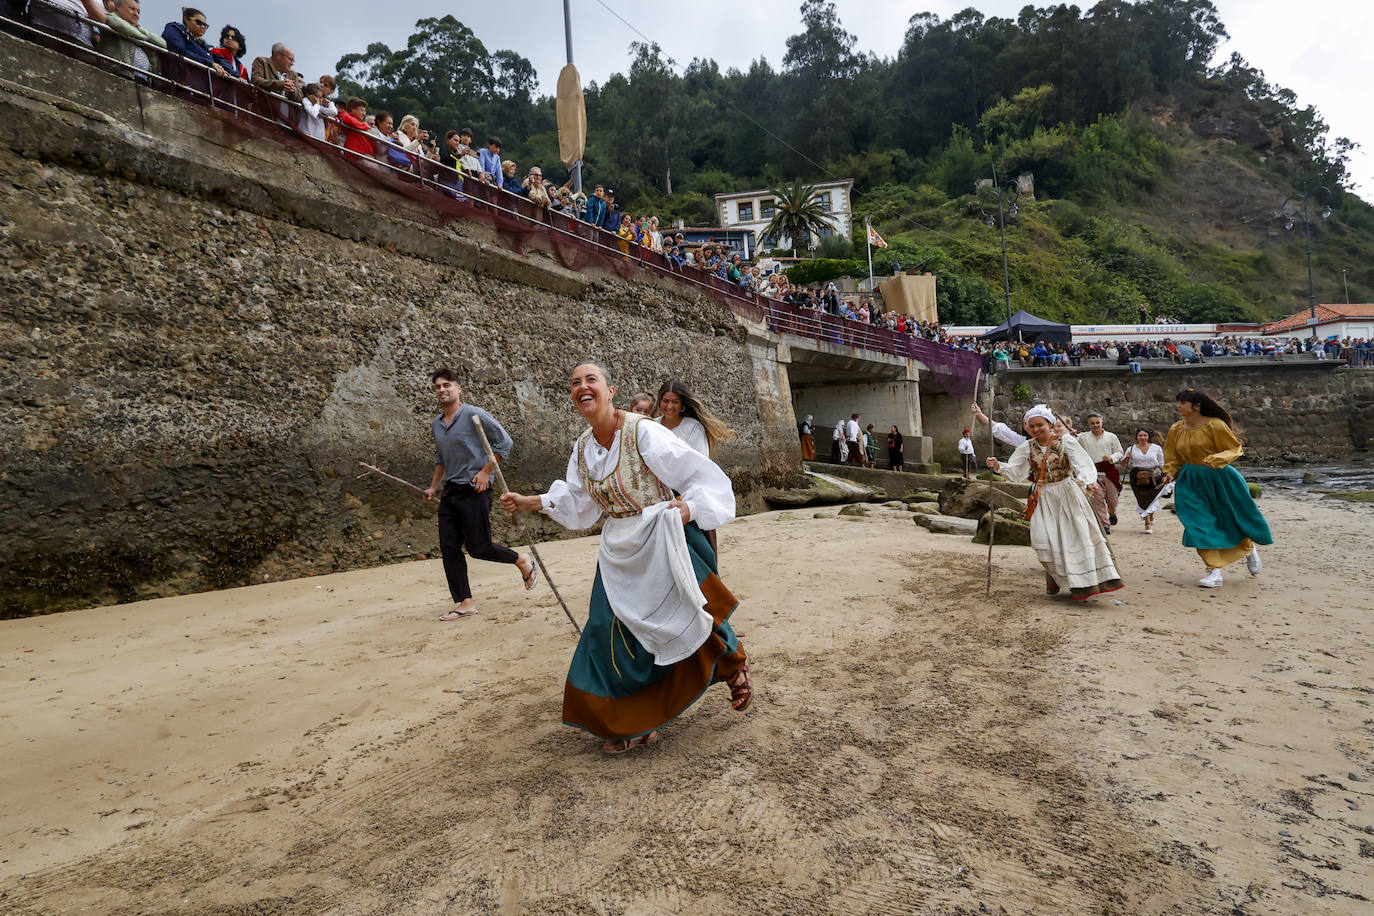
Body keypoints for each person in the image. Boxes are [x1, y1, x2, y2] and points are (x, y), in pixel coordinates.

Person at [499, 361, 751, 754]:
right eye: (575, 382)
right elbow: (579, 502)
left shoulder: (642, 431)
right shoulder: (583, 447)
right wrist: (530, 501)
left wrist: (689, 509)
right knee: (606, 630)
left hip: (660, 535)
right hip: (619, 546)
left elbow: (699, 474)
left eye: (591, 380)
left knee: (688, 613)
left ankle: (732, 662)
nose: (582, 386)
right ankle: (632, 718)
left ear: (610, 390)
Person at [421, 368, 536, 621]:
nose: (442, 390)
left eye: (447, 385)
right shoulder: (437, 424)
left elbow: (504, 443)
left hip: (476, 489)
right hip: (451, 491)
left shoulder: (474, 414)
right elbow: (441, 460)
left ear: (458, 388)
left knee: (479, 547)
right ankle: (465, 603)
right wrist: (433, 487)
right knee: (449, 547)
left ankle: (521, 560)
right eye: (438, 386)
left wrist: (486, 472)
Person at [986, 405, 1123, 600]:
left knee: (1076, 536)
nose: (1036, 429)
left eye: (1040, 425)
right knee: (1044, 537)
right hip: (1044, 496)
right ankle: (1055, 576)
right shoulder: (1027, 447)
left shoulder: (1066, 441)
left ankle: (1084, 583)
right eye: (1031, 426)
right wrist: (998, 465)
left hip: (1067, 493)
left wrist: (1088, 481)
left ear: (1049, 424)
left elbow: (1083, 464)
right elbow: (1016, 471)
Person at [1163, 388, 1272, 588]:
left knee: (1229, 520)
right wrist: (1170, 472)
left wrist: (1216, 458)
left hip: (1220, 478)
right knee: (1197, 525)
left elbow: (1234, 448)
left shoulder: (1215, 425)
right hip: (1190, 481)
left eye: (1182, 402)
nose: (1178, 406)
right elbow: (1172, 455)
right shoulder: (1176, 429)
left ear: (1196, 406)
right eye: (1178, 402)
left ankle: (1248, 548)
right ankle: (1214, 571)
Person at [1079, 412, 1124, 533]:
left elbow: (1120, 452)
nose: (1095, 425)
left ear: (1102, 423)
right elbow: (1073, 447)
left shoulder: (1111, 437)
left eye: (1097, 422)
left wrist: (1111, 457)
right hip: (1092, 473)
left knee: (1113, 500)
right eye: (1092, 423)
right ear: (1089, 425)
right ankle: (1105, 525)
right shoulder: (1082, 437)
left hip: (1109, 472)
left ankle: (1112, 513)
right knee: (1097, 499)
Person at [101, 0, 165, 78]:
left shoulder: (139, 30)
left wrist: (143, 34)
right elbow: (123, 27)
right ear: (118, 6)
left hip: (140, 79)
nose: (136, 14)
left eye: (138, 12)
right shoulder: (110, 17)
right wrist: (144, 39)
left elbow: (163, 44)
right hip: (118, 73)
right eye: (132, 9)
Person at [1124, 427, 1165, 534]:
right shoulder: (1131, 449)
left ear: (1148, 437)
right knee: (1142, 498)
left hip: (1154, 477)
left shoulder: (1156, 448)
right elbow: (1124, 464)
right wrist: (1127, 457)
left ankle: (1151, 514)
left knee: (1153, 498)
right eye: (1140, 435)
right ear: (1136, 437)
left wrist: (1166, 474)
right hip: (1138, 477)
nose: (1143, 437)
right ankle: (1147, 523)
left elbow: (1162, 463)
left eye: (1145, 435)